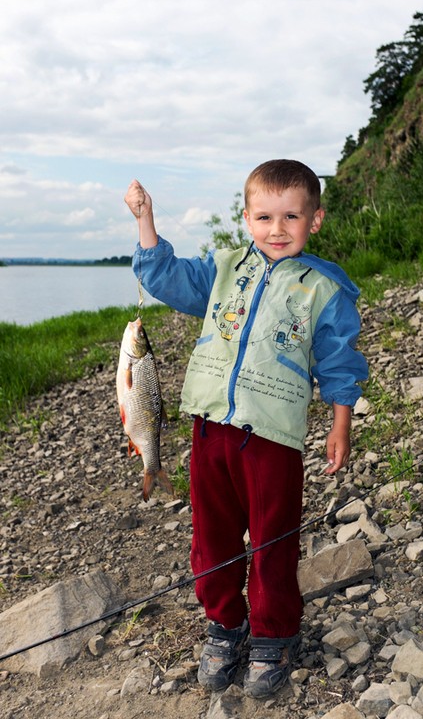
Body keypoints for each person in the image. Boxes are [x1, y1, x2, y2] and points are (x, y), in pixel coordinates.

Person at [124, 159, 368, 699]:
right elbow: (164, 277)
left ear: (316, 220)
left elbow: (340, 363)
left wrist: (340, 423)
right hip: (210, 431)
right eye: (264, 217)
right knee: (211, 537)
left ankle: (274, 634)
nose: (276, 229)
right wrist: (146, 220)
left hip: (272, 439)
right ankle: (224, 623)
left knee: (273, 540)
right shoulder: (223, 270)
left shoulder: (323, 289)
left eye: (290, 217)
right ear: (246, 218)